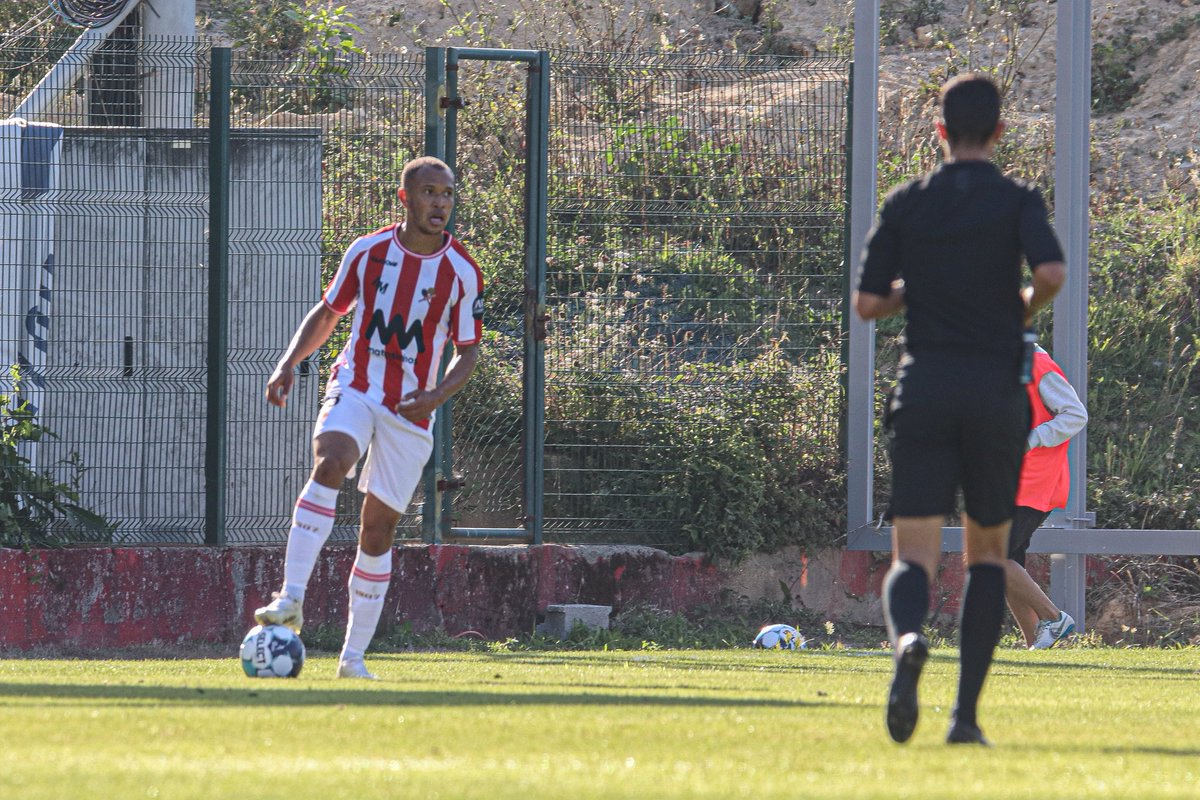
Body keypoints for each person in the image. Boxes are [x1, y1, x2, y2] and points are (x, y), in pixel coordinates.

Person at [854, 73, 1067, 746]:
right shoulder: (1017, 200)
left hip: (925, 388)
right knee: (986, 556)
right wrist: (1015, 308)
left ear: (938, 132)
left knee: (910, 556)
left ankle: (910, 638)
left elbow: (867, 303)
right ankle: (966, 719)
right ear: (1000, 133)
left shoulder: (908, 202)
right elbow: (1054, 273)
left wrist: (913, 292)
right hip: (994, 392)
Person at [256, 156, 484, 679]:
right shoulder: (368, 251)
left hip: (411, 412)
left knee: (377, 532)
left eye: (448, 195)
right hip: (356, 385)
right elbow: (330, 312)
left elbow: (468, 350)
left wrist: (436, 395)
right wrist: (288, 363)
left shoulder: (461, 272)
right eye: (430, 193)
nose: (441, 204)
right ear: (405, 199)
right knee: (330, 461)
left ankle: (352, 659)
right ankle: (291, 597)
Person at [1006, 343, 1087, 649]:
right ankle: (1036, 643)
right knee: (1007, 562)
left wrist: (1033, 438)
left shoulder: (1036, 362)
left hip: (1034, 481)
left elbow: (1076, 415)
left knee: (988, 557)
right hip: (1007, 481)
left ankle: (1054, 619)